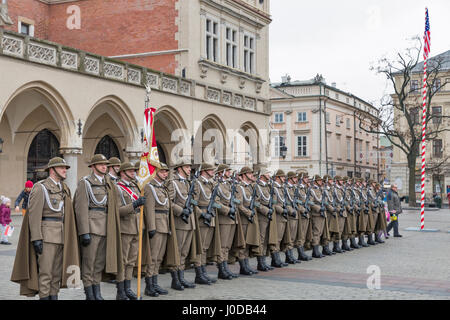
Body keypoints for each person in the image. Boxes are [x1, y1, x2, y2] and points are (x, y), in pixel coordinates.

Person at [11, 157, 80, 300]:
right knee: (46, 274)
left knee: (56, 274)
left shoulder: (64, 188)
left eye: (65, 168)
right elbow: (34, 215)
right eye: (61, 167)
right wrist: (36, 238)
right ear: (52, 170)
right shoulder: (40, 187)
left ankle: (54, 297)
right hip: (46, 237)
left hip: (61, 235)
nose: (64, 170)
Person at [73, 154, 123, 300]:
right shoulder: (85, 183)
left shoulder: (108, 183)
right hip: (92, 227)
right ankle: (89, 294)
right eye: (101, 164)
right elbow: (80, 208)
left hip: (106, 227)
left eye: (105, 164)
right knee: (89, 263)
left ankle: (97, 292)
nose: (104, 166)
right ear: (93, 166)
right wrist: (84, 232)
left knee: (99, 263)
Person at [143, 162, 181, 296]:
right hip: (157, 226)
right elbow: (149, 208)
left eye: (166, 172)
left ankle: (155, 282)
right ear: (156, 172)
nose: (166, 174)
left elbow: (168, 206)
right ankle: (149, 286)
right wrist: (152, 227)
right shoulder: (150, 187)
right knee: (152, 257)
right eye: (163, 171)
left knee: (159, 258)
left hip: (165, 224)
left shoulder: (162, 188)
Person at [115, 162, 146, 300]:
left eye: (134, 170)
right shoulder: (117, 188)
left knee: (132, 261)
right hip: (125, 228)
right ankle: (120, 290)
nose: (133, 172)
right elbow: (118, 211)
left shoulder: (135, 187)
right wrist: (134, 204)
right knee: (123, 260)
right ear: (122, 172)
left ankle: (128, 288)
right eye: (130, 170)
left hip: (136, 227)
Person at [167, 160, 200, 289]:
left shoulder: (188, 183)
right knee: (178, 251)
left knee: (184, 253)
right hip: (180, 222)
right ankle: (175, 279)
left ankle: (181, 277)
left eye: (189, 167)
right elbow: (168, 202)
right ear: (179, 168)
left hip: (190, 221)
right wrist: (181, 211)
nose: (189, 169)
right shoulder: (172, 183)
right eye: (186, 167)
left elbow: (192, 200)